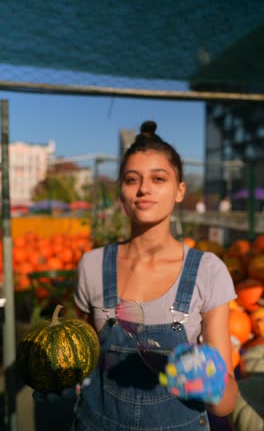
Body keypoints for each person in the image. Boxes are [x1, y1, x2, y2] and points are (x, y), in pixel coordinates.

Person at [35, 121, 238, 430]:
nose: (144, 189)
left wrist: (210, 383)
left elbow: (226, 404)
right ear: (121, 192)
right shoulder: (92, 266)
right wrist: (59, 379)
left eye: (159, 178)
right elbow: (82, 360)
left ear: (180, 190)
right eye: (132, 179)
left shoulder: (209, 272)